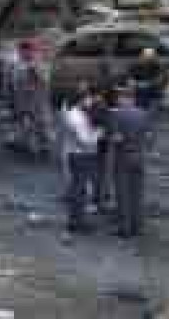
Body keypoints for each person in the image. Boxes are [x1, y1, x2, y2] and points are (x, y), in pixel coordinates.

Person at [110, 86, 150, 238]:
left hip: (123, 157)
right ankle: (138, 226)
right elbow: (149, 137)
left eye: (119, 97)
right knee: (137, 193)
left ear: (125, 98)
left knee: (123, 193)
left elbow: (116, 138)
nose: (118, 100)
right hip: (139, 157)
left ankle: (125, 228)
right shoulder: (143, 114)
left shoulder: (117, 115)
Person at [62, 89, 101, 234]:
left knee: (77, 188)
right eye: (88, 99)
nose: (90, 101)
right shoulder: (76, 118)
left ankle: (75, 220)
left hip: (75, 154)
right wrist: (98, 133)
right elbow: (85, 141)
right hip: (81, 156)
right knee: (80, 190)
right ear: (81, 100)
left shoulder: (73, 113)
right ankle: (78, 222)